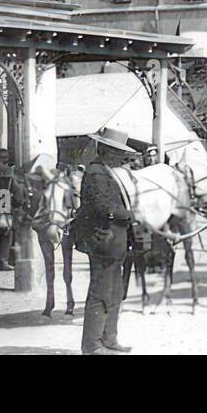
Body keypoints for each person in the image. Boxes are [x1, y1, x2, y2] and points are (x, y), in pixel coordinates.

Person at [71, 128, 137, 355]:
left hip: (113, 242)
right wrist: (130, 215)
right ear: (107, 151)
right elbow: (103, 207)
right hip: (103, 240)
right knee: (100, 292)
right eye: (118, 152)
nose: (122, 157)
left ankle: (109, 337)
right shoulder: (98, 173)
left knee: (115, 291)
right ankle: (91, 345)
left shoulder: (107, 171)